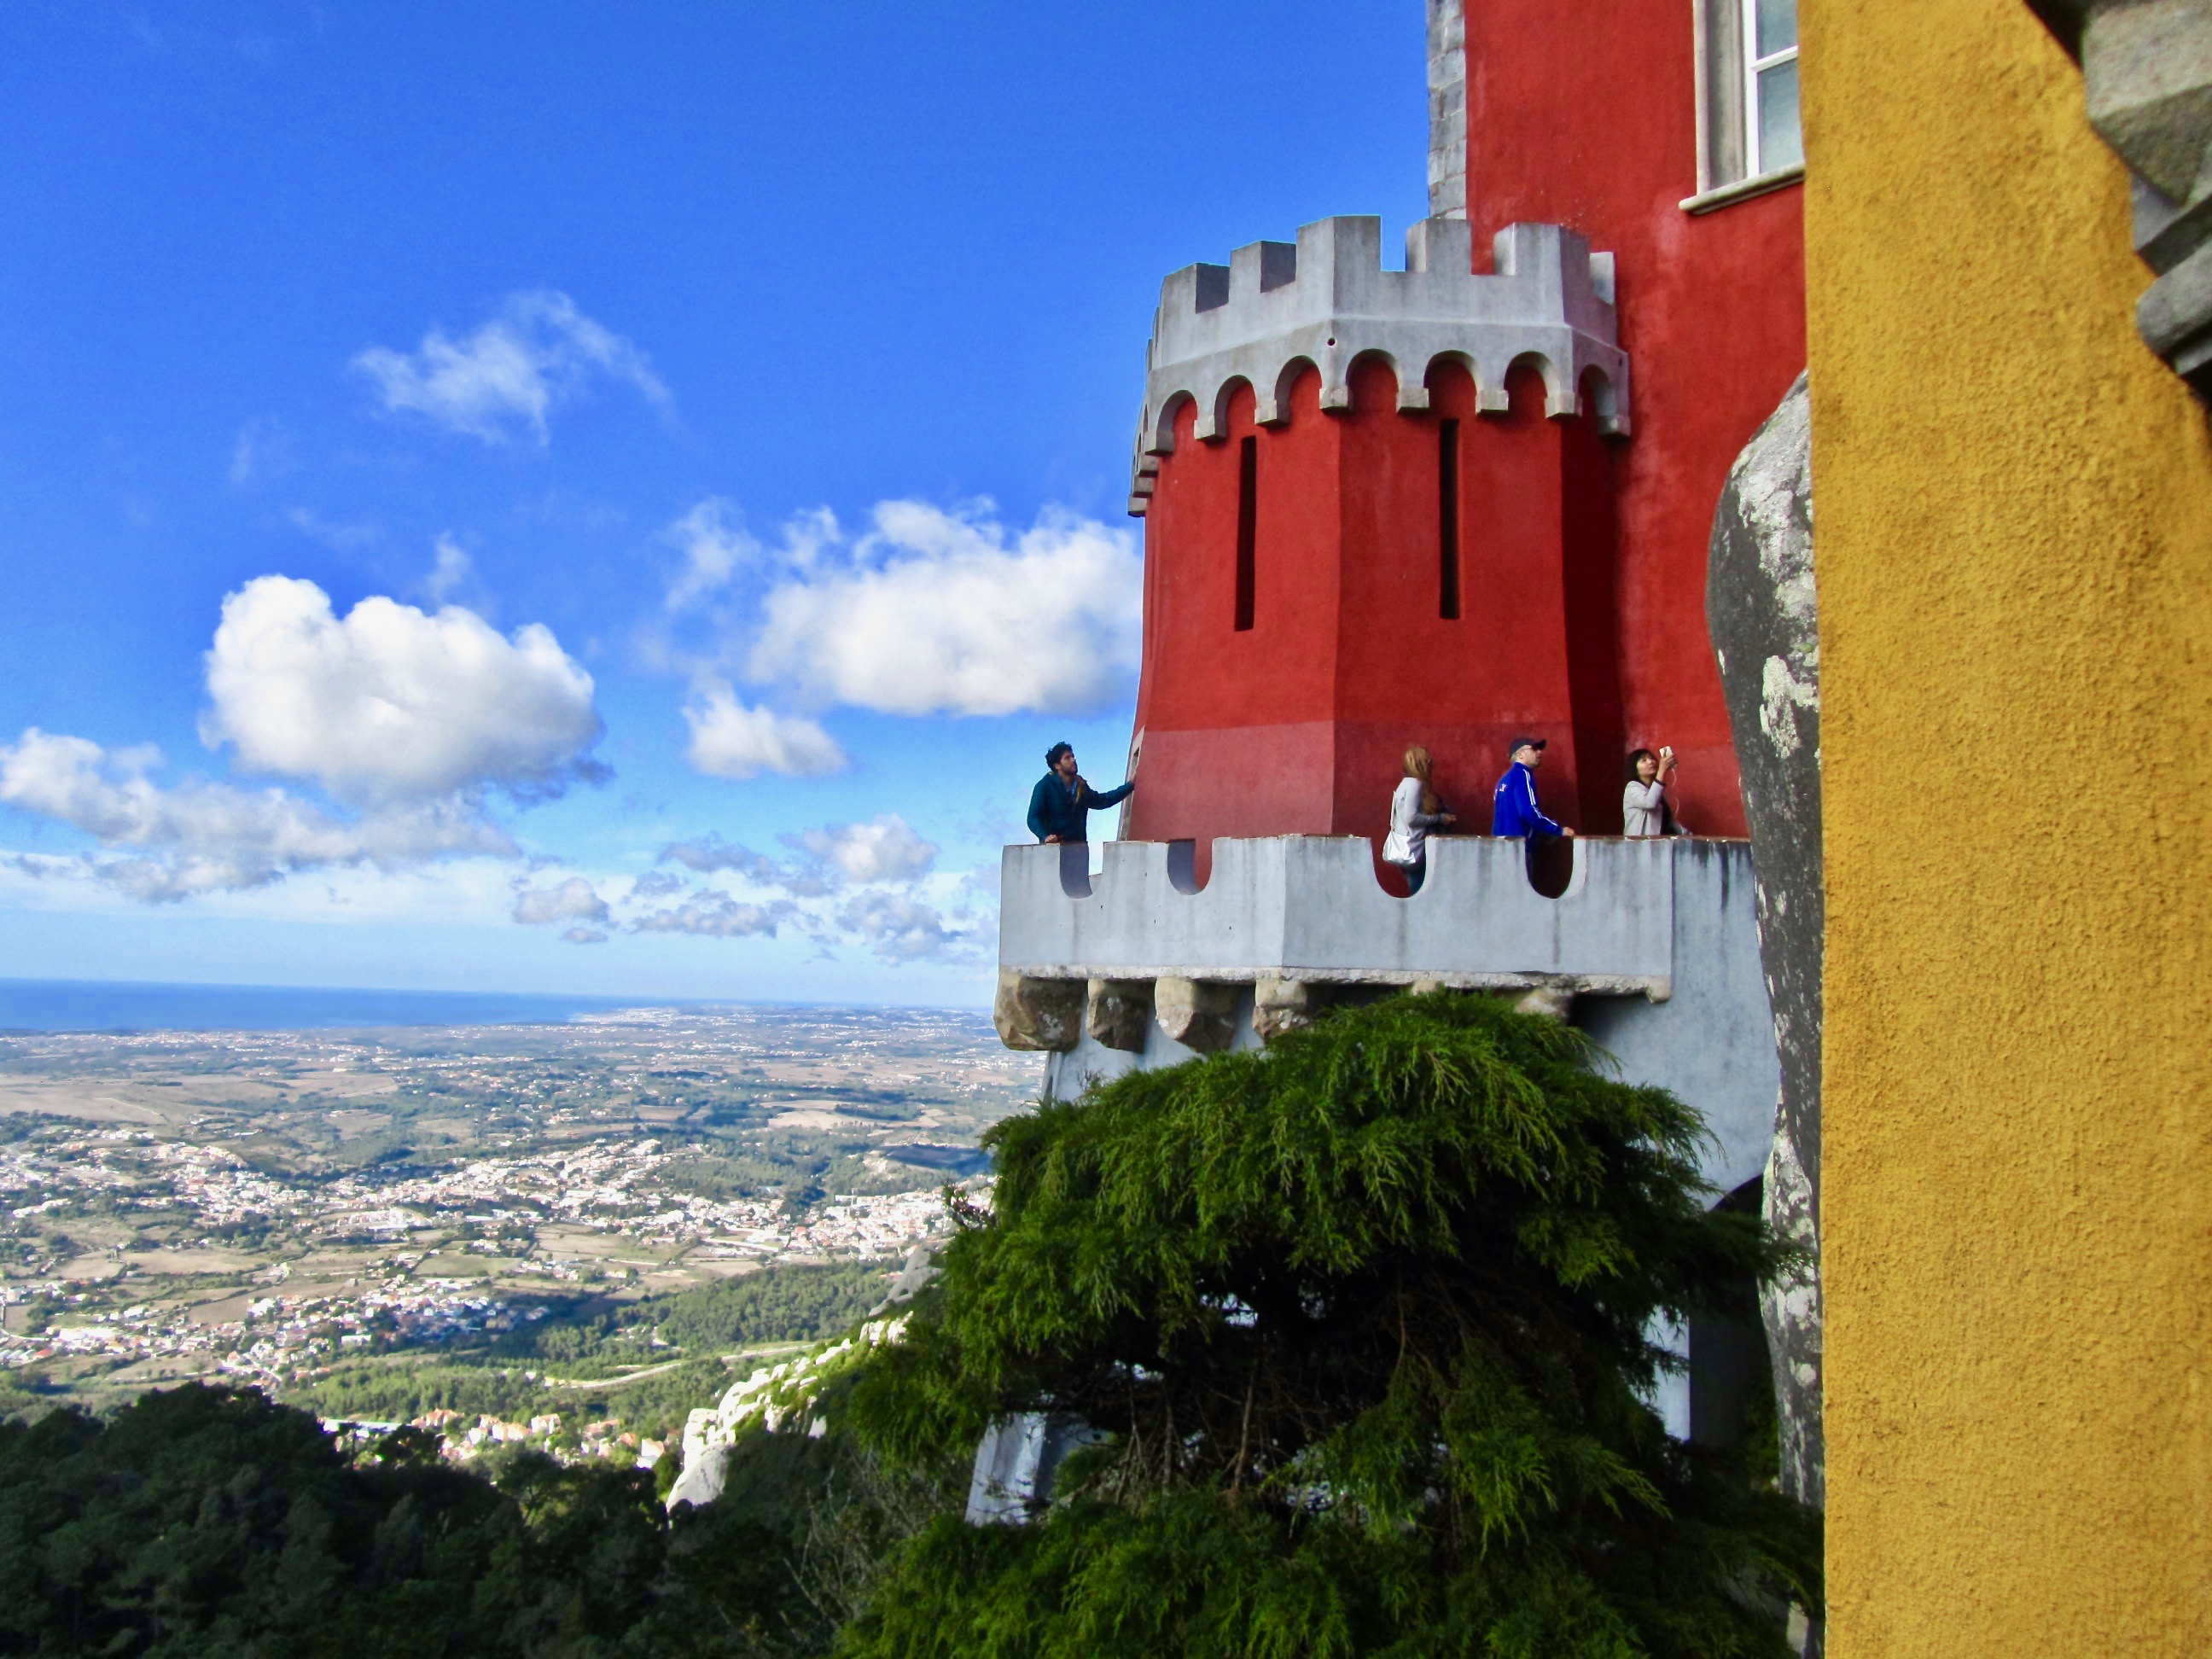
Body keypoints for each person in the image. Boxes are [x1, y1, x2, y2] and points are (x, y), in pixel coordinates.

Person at [1381, 746, 1456, 895]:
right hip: (1415, 846)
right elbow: (1411, 817)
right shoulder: (1415, 784)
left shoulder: (1405, 784)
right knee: (1420, 890)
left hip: (1405, 843)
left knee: (1415, 886)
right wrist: (1440, 818)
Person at [1027, 741, 1133, 845]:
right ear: (1057, 766)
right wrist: (1045, 836)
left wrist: (1131, 785)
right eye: (1067, 758)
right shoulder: (1044, 786)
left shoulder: (1080, 786)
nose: (1073, 760)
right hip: (1053, 849)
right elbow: (1033, 817)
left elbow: (1103, 801)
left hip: (1078, 849)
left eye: (1073, 756)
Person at [1490, 736, 1575, 840]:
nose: (1539, 752)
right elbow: (1527, 811)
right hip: (1518, 846)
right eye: (1534, 749)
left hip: (1498, 844)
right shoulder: (1523, 774)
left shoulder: (1504, 780)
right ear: (1520, 754)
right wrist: (1557, 830)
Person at [1623, 746, 1687, 837]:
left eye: (1651, 758)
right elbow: (1649, 803)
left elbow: (1668, 823)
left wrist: (1687, 836)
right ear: (1635, 769)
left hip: (1658, 847)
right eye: (1644, 760)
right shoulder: (1632, 788)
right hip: (1639, 847)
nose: (1650, 762)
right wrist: (1662, 770)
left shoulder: (1656, 792)